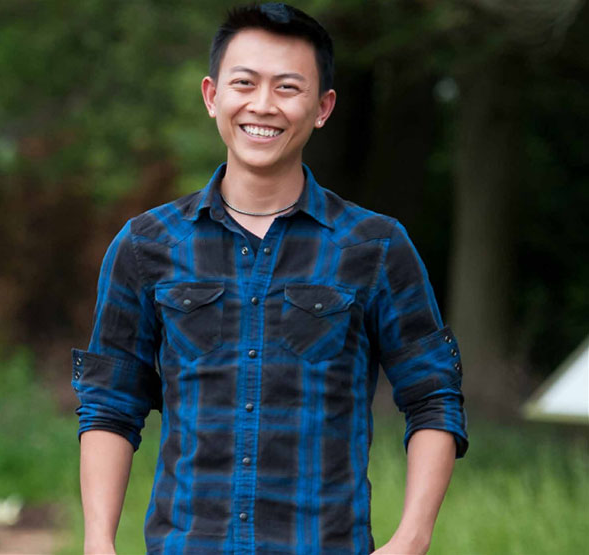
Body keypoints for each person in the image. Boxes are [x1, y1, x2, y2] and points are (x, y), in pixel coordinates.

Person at [71, 3, 468, 554]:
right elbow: (110, 405)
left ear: (322, 107)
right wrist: (98, 542)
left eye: (287, 87)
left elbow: (433, 396)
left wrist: (412, 537)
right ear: (212, 96)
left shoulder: (375, 247)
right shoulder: (146, 246)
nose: (262, 105)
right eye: (244, 83)